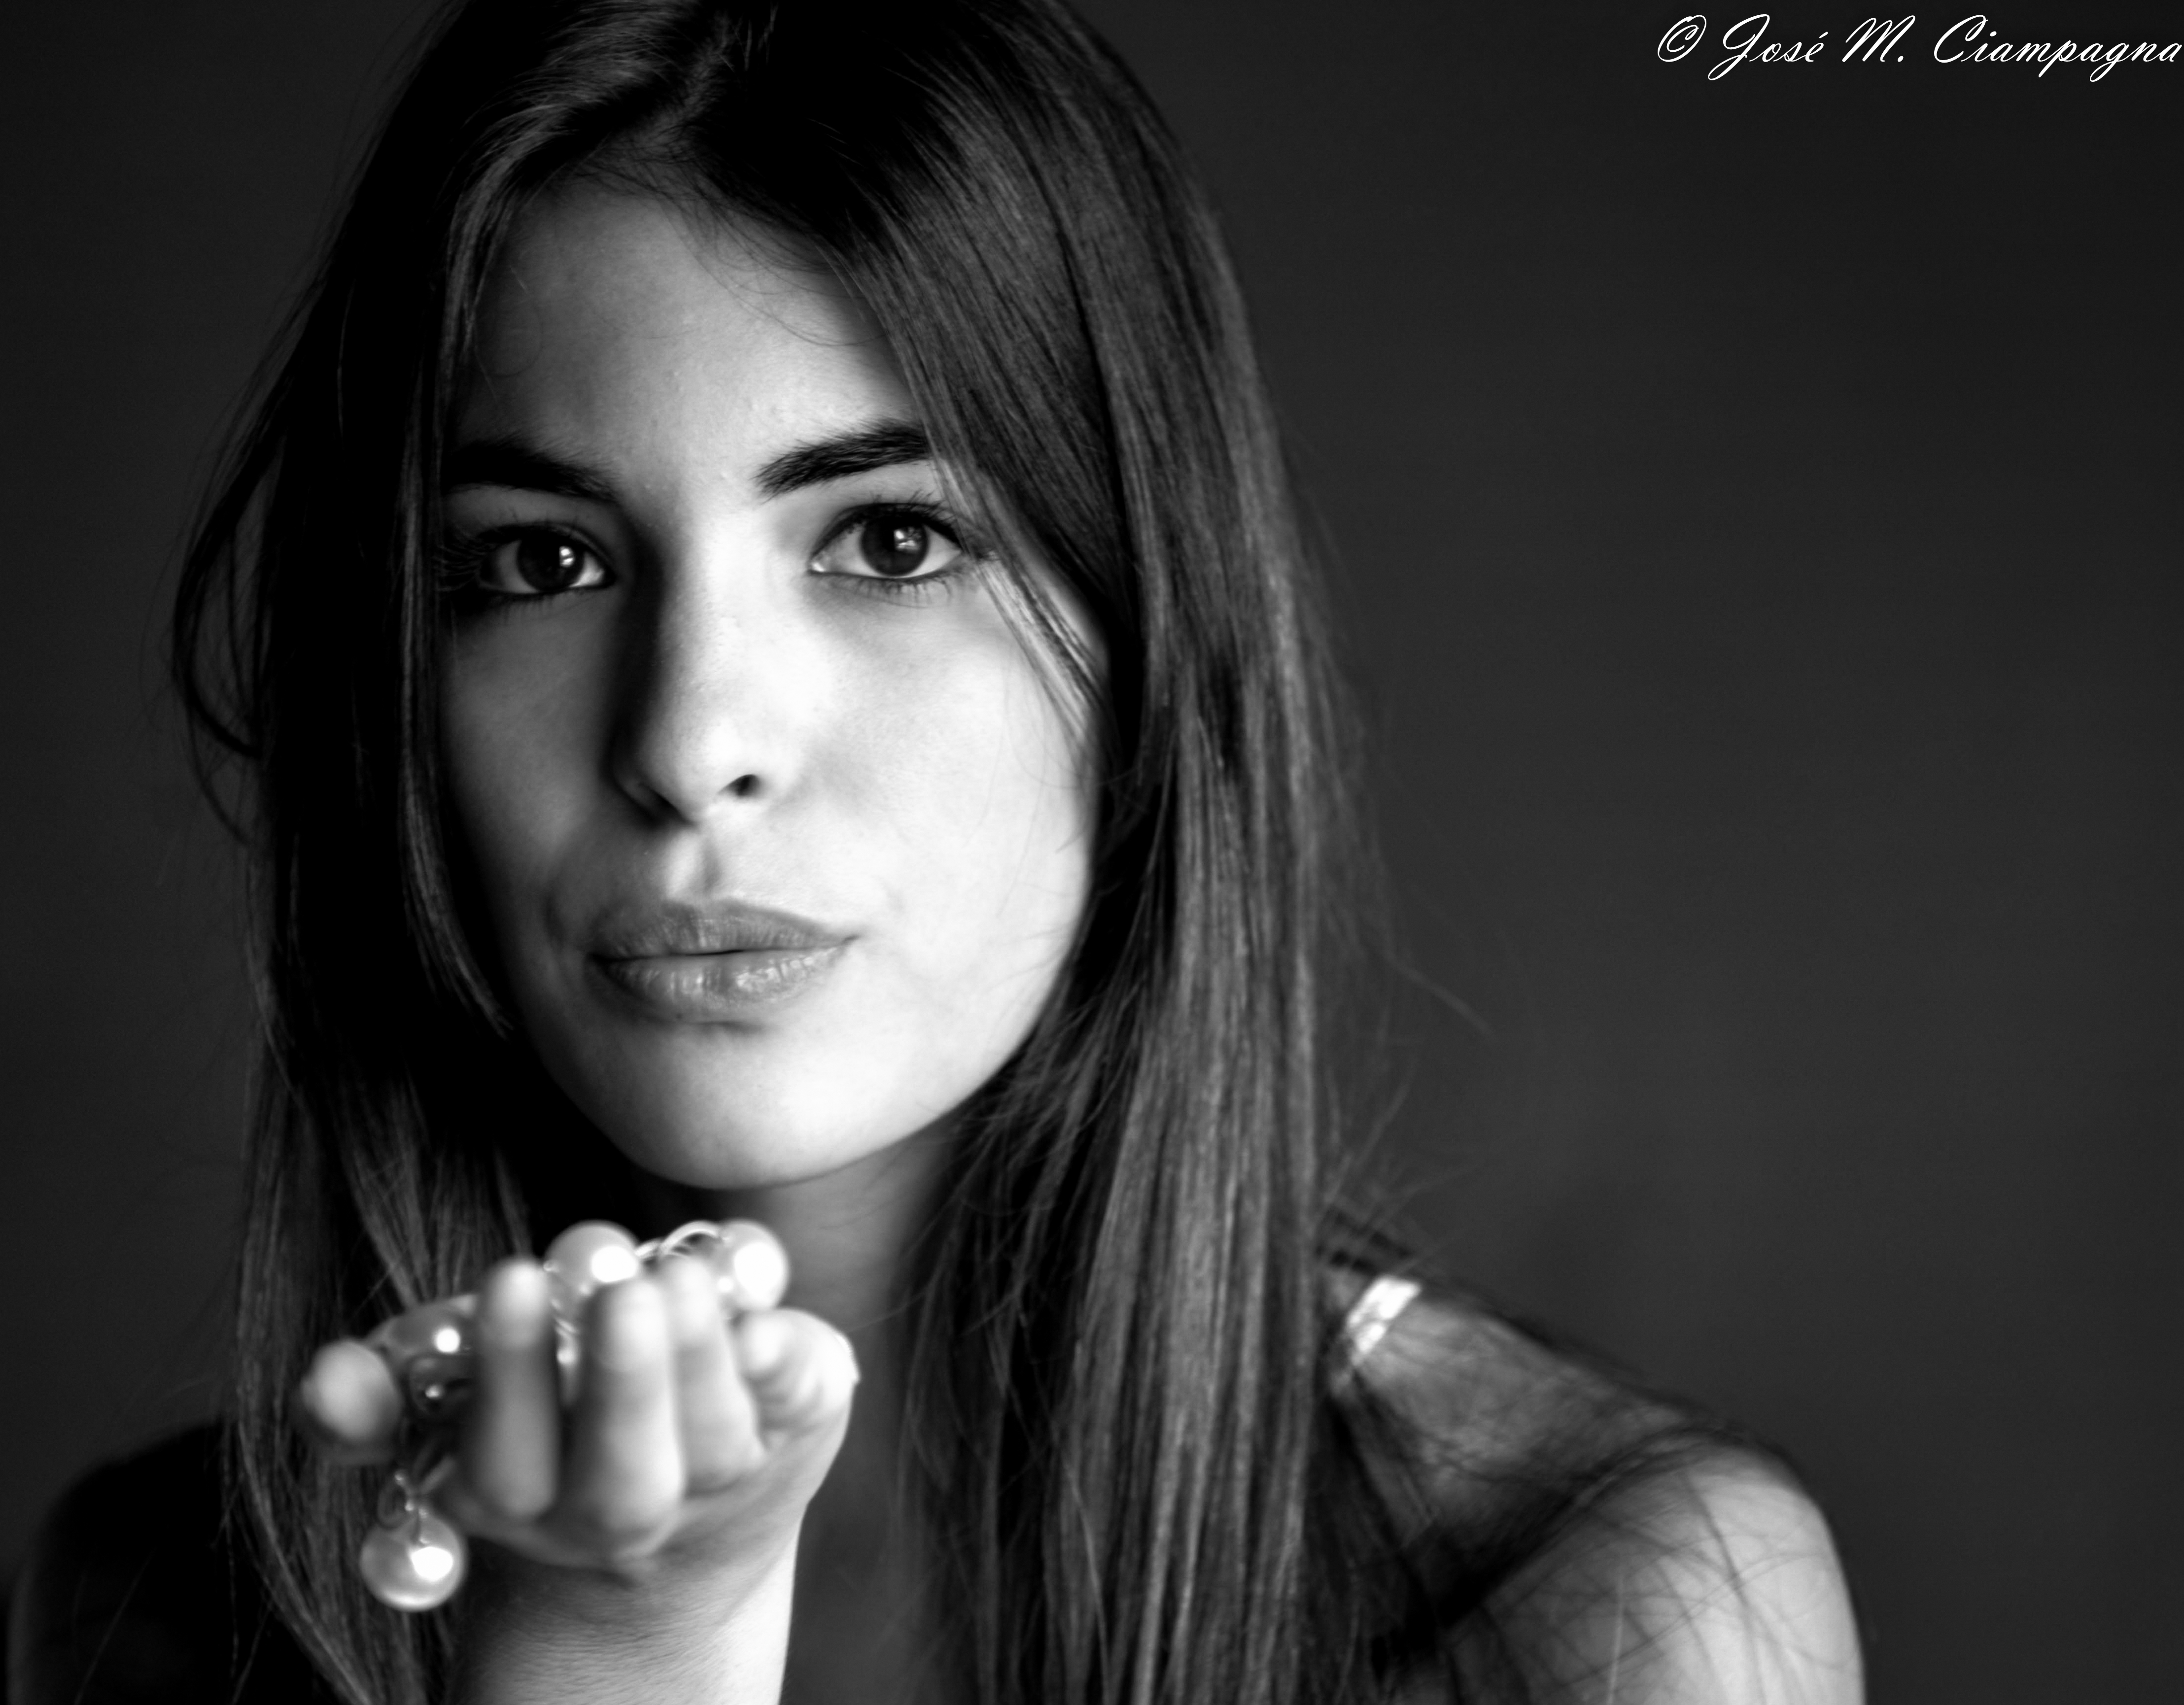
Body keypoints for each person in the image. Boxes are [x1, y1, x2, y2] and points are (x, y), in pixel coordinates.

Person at [7, 0, 1861, 1700]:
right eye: (542, 560)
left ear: (1151, 645)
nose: (691, 745)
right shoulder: (151, 1612)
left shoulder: (1601, 1613)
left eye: (892, 541)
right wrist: (601, 1649)